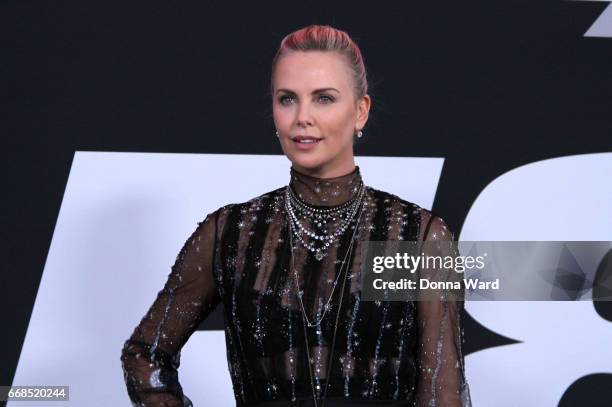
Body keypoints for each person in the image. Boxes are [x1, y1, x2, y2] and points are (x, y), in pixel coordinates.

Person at [121, 24, 471, 407]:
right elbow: (145, 354)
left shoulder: (414, 235)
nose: (302, 117)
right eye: (287, 99)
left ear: (360, 111)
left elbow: (443, 392)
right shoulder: (232, 233)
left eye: (323, 98)